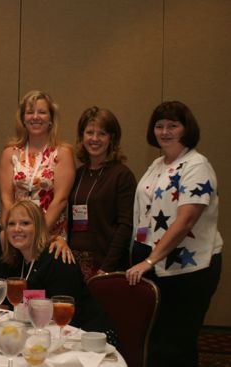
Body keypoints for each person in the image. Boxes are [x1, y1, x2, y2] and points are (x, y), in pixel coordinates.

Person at [126, 101, 222, 367]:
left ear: (186, 128)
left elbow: (186, 221)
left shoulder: (196, 165)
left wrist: (149, 261)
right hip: (157, 266)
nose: (164, 131)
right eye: (159, 126)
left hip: (187, 270)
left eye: (172, 126)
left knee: (176, 344)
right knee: (155, 342)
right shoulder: (157, 164)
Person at [2, 200, 113, 335]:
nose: (17, 229)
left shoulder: (58, 258)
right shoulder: (16, 260)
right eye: (11, 224)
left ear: (39, 226)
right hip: (45, 332)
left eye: (25, 223)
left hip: (88, 336)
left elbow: (67, 317)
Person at [68, 107, 136, 280]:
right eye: (89, 132)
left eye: (102, 133)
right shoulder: (77, 174)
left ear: (111, 138)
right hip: (75, 265)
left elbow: (126, 226)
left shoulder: (122, 175)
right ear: (82, 136)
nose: (95, 139)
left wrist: (107, 268)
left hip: (106, 267)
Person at [0, 90, 75, 239]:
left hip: (50, 235)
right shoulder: (10, 153)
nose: (35, 117)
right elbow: (6, 199)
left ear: (51, 119)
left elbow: (60, 200)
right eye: (30, 112)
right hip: (17, 234)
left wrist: (37, 236)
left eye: (42, 112)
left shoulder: (62, 153)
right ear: (23, 119)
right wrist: (11, 230)